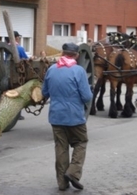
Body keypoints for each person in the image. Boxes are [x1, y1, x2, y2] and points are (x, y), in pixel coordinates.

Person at [42, 42, 93, 191]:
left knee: (61, 148)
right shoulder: (79, 71)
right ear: (76, 55)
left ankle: (62, 183)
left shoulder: (51, 70)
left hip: (56, 116)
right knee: (81, 142)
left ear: (62, 53)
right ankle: (73, 173)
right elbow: (86, 96)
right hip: (75, 116)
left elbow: (44, 92)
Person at [12, 31, 28, 120]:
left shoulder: (6, 47)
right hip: (17, 73)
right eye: (18, 37)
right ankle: (17, 114)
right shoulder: (19, 48)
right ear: (17, 38)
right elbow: (26, 59)